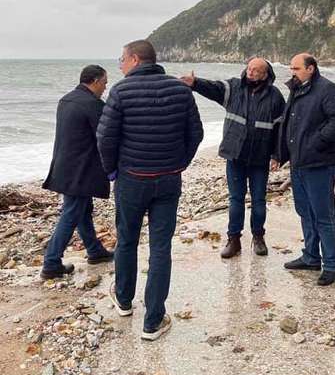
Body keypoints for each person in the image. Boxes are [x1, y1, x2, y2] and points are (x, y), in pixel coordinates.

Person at [97, 40, 203, 341]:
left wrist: (111, 171)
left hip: (132, 179)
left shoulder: (121, 91)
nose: (120, 65)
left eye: (121, 59)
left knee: (127, 240)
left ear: (134, 59)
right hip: (168, 179)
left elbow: (105, 138)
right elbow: (196, 133)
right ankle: (152, 321)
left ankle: (124, 300)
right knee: (160, 247)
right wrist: (179, 163)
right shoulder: (180, 90)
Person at [180, 58, 285, 258]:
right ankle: (234, 240)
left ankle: (258, 237)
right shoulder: (234, 88)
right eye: (249, 68)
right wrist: (195, 83)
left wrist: (277, 155)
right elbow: (214, 88)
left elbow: (280, 129)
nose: (250, 72)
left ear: (265, 75)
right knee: (236, 199)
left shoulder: (275, 97)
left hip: (260, 158)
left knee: (259, 200)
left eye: (256, 70)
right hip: (235, 155)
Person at [278, 53, 335, 286]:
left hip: (320, 163)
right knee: (305, 212)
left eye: (296, 68)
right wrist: (281, 154)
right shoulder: (296, 89)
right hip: (298, 162)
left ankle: (332, 265)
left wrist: (316, 141)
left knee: (323, 215)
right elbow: (289, 123)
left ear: (311, 68)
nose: (292, 72)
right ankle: (310, 257)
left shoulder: (327, 89)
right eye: (291, 68)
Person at [41, 65, 113, 280]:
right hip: (81, 168)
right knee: (72, 212)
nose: (105, 87)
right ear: (95, 81)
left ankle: (95, 250)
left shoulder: (66, 100)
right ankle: (51, 262)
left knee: (82, 209)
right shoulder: (92, 104)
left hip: (64, 165)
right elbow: (105, 137)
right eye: (104, 83)